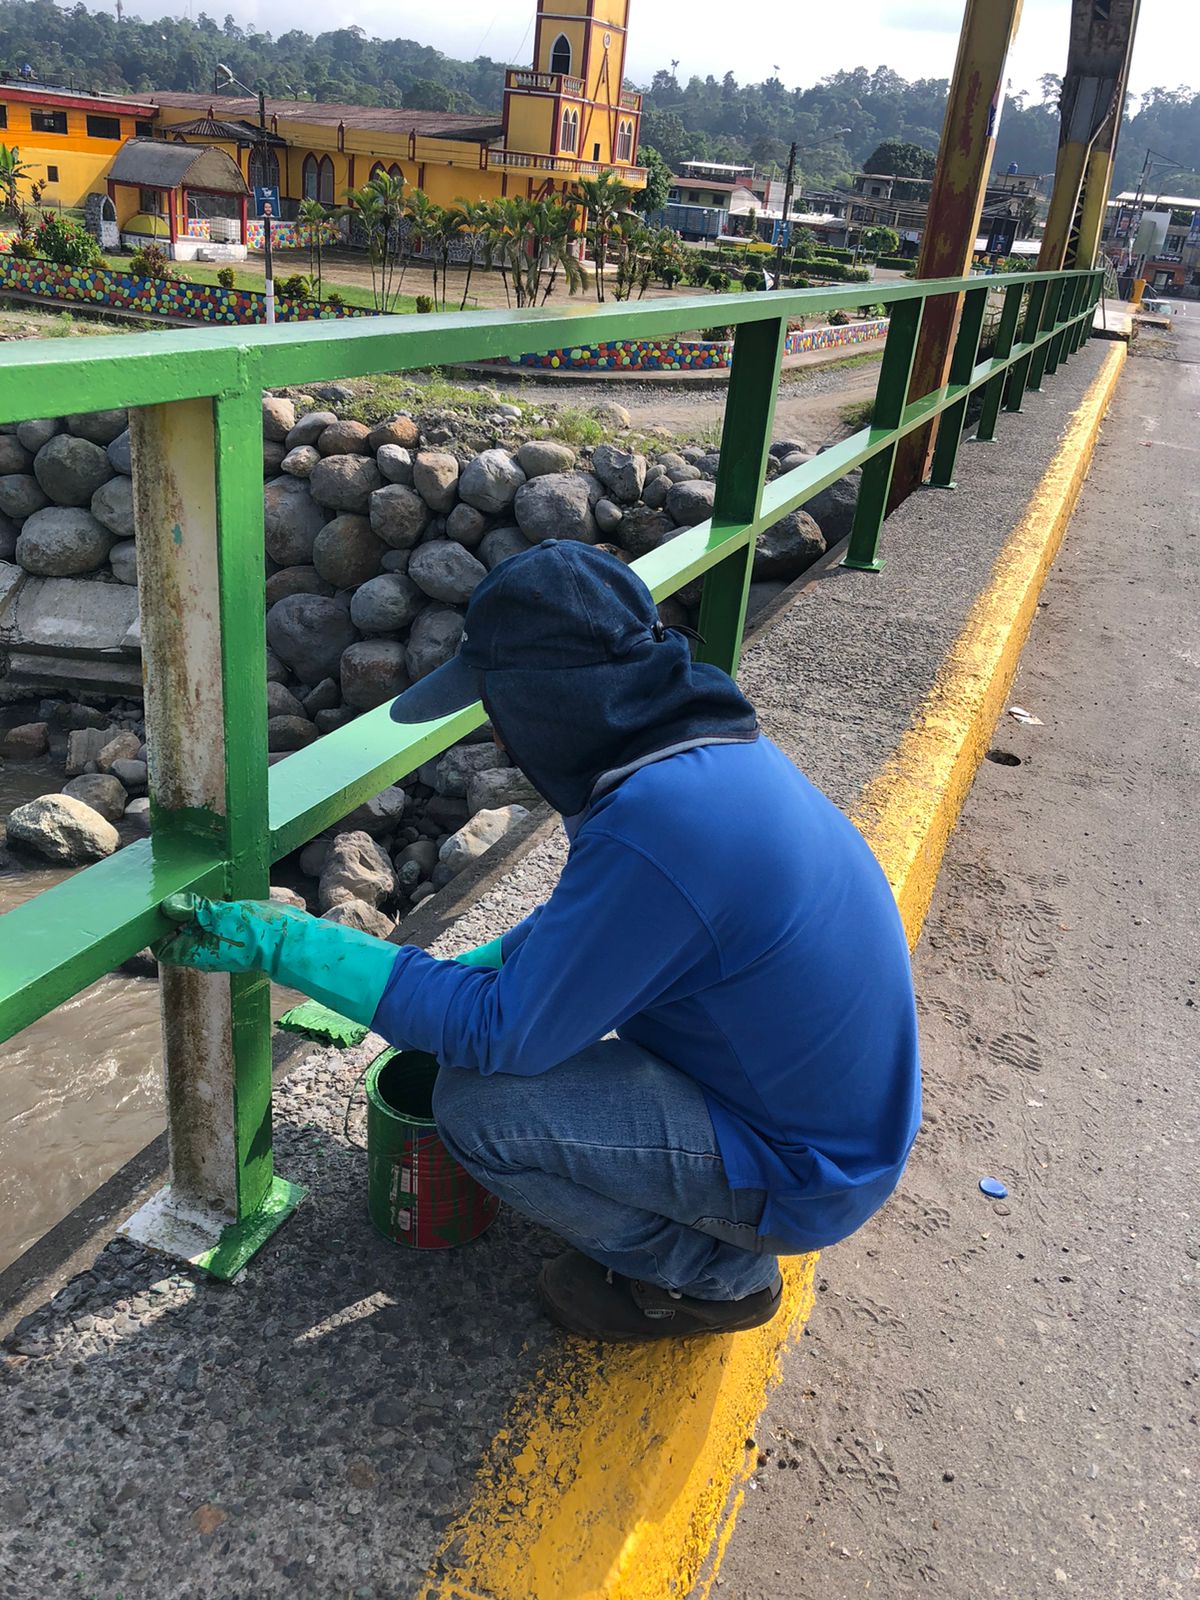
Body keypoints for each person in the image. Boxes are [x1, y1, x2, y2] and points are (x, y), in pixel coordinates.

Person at [159, 541, 921, 1341]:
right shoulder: (704, 756)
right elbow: (606, 927)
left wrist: (288, 944)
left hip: (808, 1172)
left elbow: (499, 1034)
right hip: (829, 1123)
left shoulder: (658, 828)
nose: (498, 736)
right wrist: (473, 965)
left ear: (549, 705)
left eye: (499, 707)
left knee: (481, 1106)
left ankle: (716, 1275)